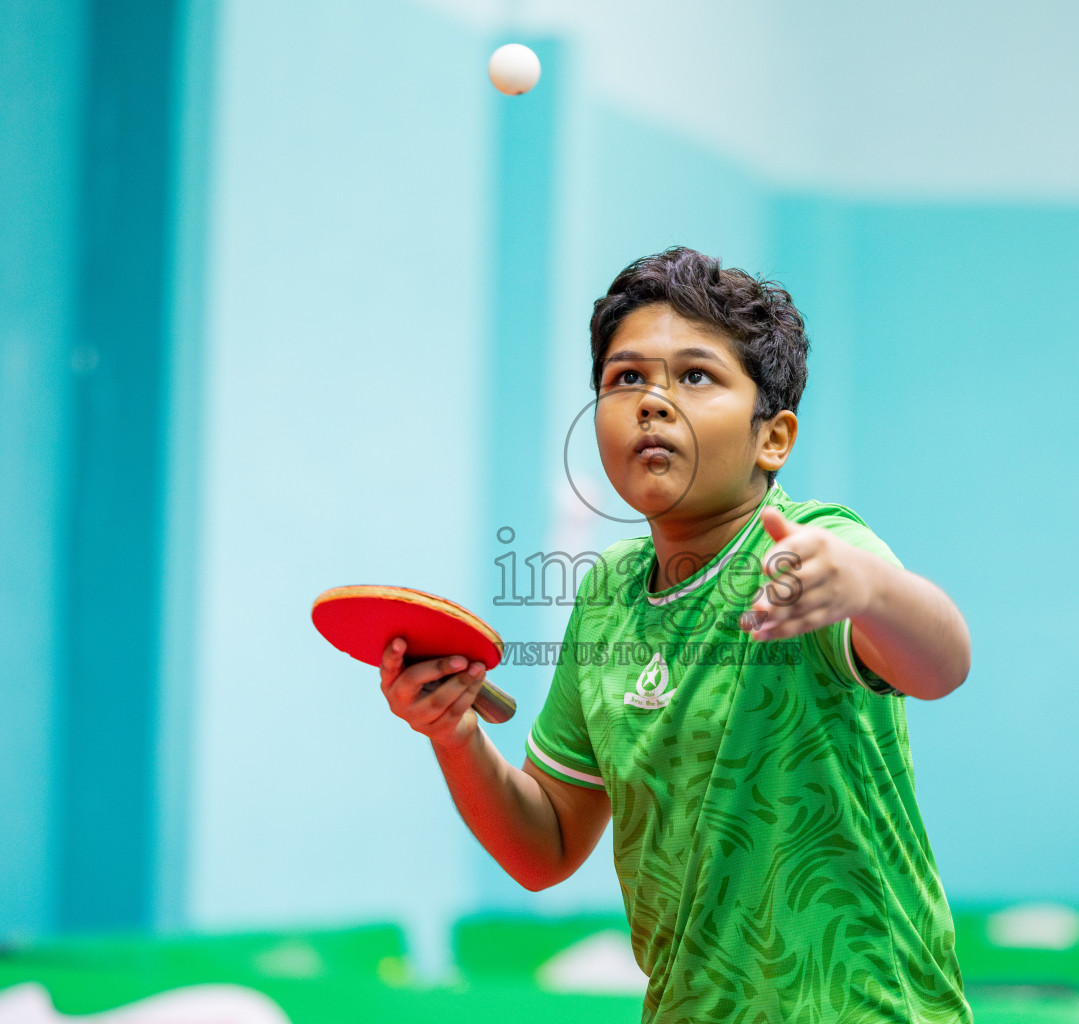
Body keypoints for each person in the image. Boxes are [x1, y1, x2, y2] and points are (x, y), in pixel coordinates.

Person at [379, 248, 973, 1022]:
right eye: (627, 378)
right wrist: (454, 735)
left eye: (696, 376)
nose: (653, 401)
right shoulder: (607, 597)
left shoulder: (816, 547)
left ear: (774, 438)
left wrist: (868, 589)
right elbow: (545, 847)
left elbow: (944, 664)